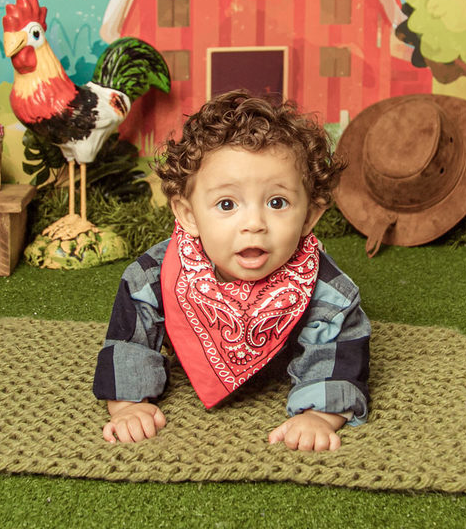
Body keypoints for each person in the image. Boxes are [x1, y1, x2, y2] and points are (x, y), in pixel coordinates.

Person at [92, 91, 371, 452]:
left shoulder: (329, 292)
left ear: (310, 215)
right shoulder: (153, 276)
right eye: (227, 204)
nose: (253, 224)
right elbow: (129, 340)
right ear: (189, 214)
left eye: (277, 202)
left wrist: (318, 416)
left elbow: (339, 354)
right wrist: (128, 405)